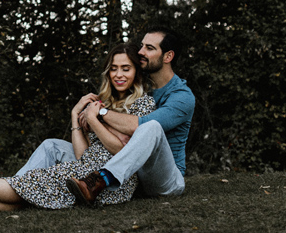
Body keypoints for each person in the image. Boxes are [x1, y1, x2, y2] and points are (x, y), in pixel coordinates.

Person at [0, 42, 156, 221]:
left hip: (111, 184)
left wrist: (95, 121)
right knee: (39, 187)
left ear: (136, 72)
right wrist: (76, 114)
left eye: (126, 69)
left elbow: (122, 151)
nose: (119, 75)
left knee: (37, 181)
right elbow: (83, 155)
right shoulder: (100, 102)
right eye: (114, 69)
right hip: (85, 171)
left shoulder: (143, 105)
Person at [66, 25, 196, 204]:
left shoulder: (182, 97)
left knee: (152, 127)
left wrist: (99, 113)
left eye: (149, 48)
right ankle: (19, 186)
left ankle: (99, 180)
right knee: (53, 146)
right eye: (142, 46)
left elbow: (139, 125)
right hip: (135, 173)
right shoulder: (142, 86)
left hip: (165, 180)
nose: (141, 52)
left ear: (168, 56)